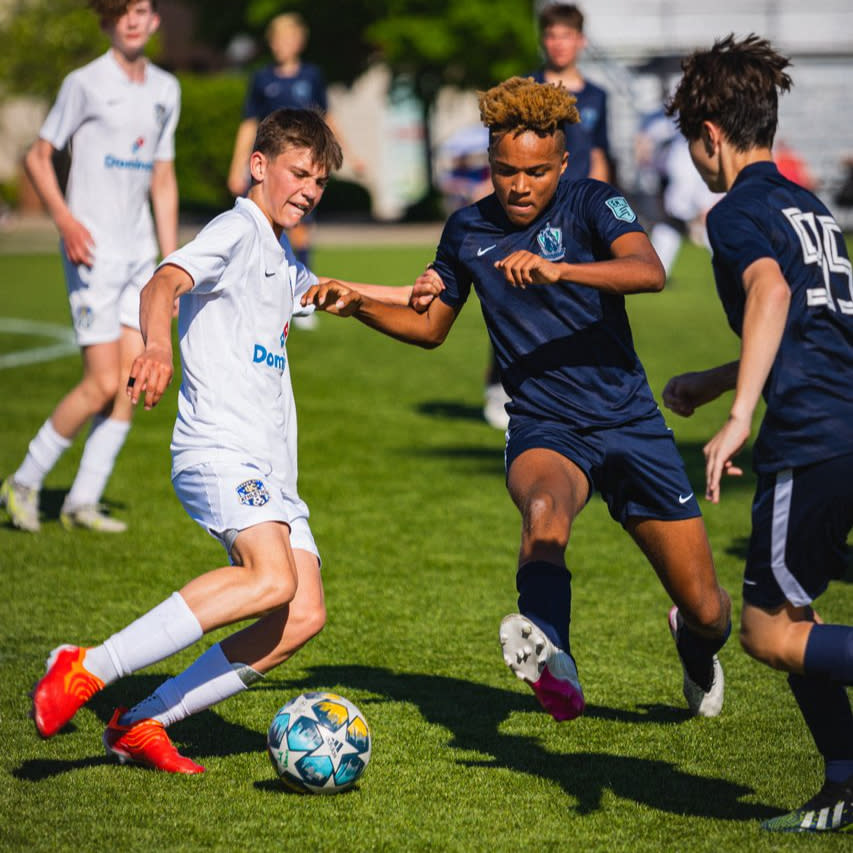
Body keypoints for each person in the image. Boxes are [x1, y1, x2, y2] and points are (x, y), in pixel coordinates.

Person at [304, 76, 732, 723]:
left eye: (535, 171)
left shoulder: (593, 203)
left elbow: (648, 271)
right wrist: (359, 303)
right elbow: (429, 326)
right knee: (542, 511)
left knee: (708, 609)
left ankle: (694, 646)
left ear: (561, 163)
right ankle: (549, 647)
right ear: (489, 164)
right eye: (505, 170)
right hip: (543, 423)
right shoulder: (467, 230)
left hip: (629, 421)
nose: (519, 185)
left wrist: (560, 268)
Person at [28, 108, 410, 773]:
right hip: (218, 447)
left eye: (318, 181)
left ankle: (144, 719)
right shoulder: (235, 230)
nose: (308, 191)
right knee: (268, 576)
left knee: (302, 614)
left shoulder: (276, 250)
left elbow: (332, 292)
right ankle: (87, 665)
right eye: (298, 173)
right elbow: (164, 280)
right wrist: (155, 345)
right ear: (259, 166)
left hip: (271, 470)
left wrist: (424, 288)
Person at [662, 35, 853, 833]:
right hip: (842, 420)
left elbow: (770, 291)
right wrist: (715, 382)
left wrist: (739, 414)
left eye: (692, 146)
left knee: (768, 632)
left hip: (808, 436)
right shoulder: (810, 207)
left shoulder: (735, 211)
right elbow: (811, 321)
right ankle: (842, 781)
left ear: (709, 134)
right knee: (798, 612)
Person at [0, 0, 179, 534]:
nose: (132, 19)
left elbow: (163, 179)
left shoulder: (167, 89)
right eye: (121, 11)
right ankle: (23, 483)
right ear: (106, 21)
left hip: (140, 254)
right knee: (101, 382)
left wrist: (170, 265)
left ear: (154, 20)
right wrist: (66, 222)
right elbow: (38, 157)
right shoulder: (84, 82)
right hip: (92, 253)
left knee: (129, 381)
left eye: (141, 9)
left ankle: (83, 499)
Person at [483, 2, 613, 431]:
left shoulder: (596, 97)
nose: (559, 44)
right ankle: (499, 385)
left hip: (574, 213)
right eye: (552, 36)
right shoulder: (527, 89)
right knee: (514, 294)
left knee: (573, 299)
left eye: (567, 36)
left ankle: (569, 385)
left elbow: (598, 155)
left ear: (581, 41)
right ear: (544, 41)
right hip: (529, 210)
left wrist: (601, 207)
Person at [226, 12, 361, 330]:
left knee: (300, 230)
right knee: (259, 227)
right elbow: (249, 124)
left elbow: (327, 119)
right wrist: (237, 165)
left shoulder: (312, 76)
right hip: (274, 169)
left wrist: (350, 155)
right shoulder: (262, 79)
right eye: (277, 39)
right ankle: (256, 292)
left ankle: (302, 297)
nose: (282, 45)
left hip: (302, 169)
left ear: (299, 42)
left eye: (289, 38)